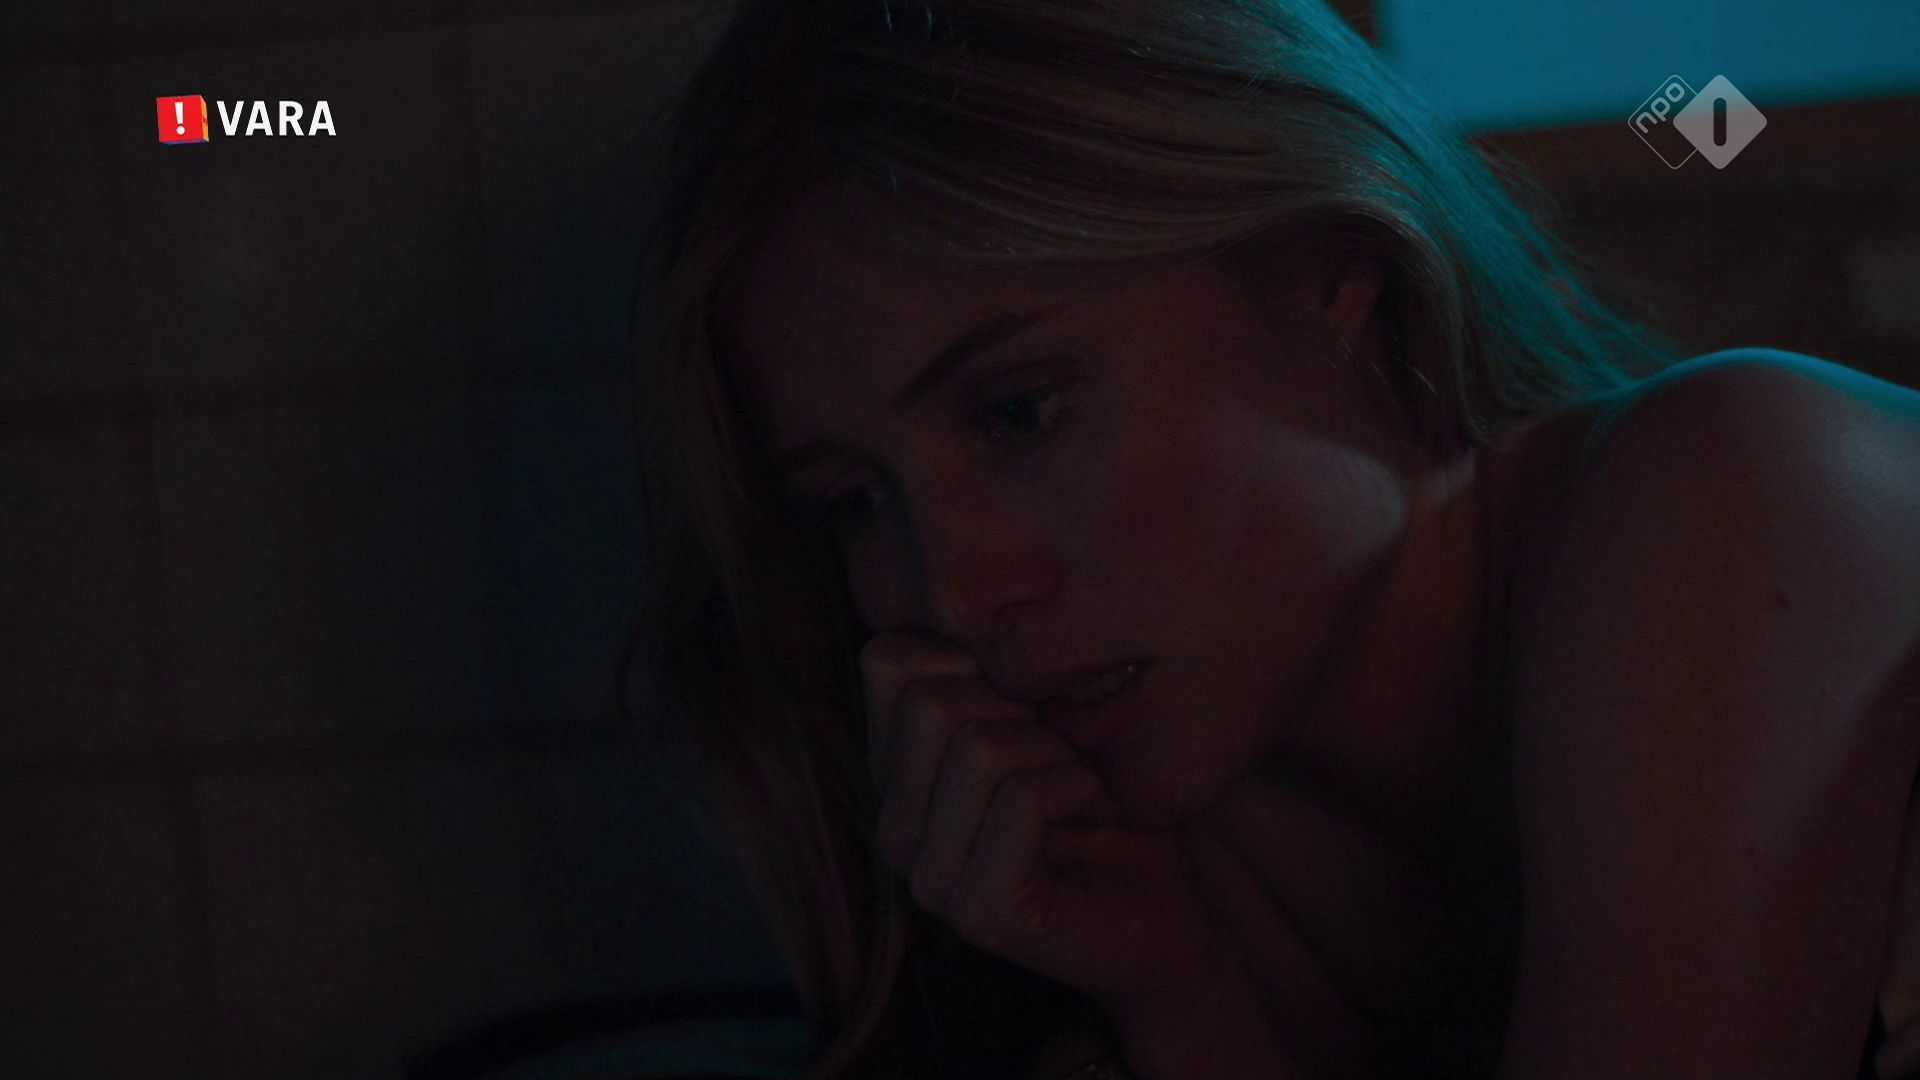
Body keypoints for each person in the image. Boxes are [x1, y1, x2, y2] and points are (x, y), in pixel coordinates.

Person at [626, 1, 1920, 1077]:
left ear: (1328, 266)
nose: (956, 595)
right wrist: (1187, 1007)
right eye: (851, 504)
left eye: (1021, 411)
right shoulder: (1178, 864)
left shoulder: (1735, 479)